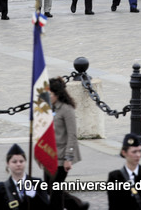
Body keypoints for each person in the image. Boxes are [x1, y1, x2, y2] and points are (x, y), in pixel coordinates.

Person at [47, 77, 88, 210]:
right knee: (49, 187)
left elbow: (72, 134)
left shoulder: (66, 109)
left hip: (62, 157)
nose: (47, 95)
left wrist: (68, 158)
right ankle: (77, 205)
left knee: (55, 191)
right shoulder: (49, 108)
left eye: (50, 93)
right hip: (50, 155)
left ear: (57, 94)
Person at [106, 134, 141, 210]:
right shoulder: (115, 177)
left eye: (139, 151)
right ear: (124, 153)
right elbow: (113, 206)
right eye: (134, 152)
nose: (138, 155)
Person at [0, 144, 49, 210]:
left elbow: (46, 207)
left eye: (21, 161)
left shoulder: (37, 183)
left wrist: (35, 196)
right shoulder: (2, 188)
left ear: (25, 162)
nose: (18, 164)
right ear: (8, 164)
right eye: (14, 162)